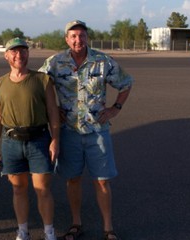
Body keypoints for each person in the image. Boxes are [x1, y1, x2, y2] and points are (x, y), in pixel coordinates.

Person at [39, 20, 133, 240]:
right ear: (66, 39)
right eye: (73, 36)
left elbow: (126, 82)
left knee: (102, 180)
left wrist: (115, 108)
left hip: (97, 130)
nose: (77, 40)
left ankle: (108, 228)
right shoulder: (55, 62)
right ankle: (76, 223)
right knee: (72, 179)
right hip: (69, 131)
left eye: (81, 36)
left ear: (87, 38)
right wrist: (51, 110)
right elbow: (38, 85)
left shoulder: (102, 61)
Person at [0, 37, 60, 240]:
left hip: (39, 140)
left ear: (28, 54)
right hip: (11, 142)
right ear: (7, 56)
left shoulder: (42, 79)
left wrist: (56, 140)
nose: (19, 55)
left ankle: (49, 233)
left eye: (23, 51)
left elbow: (53, 112)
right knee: (18, 189)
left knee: (42, 189)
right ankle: (23, 231)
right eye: (14, 51)